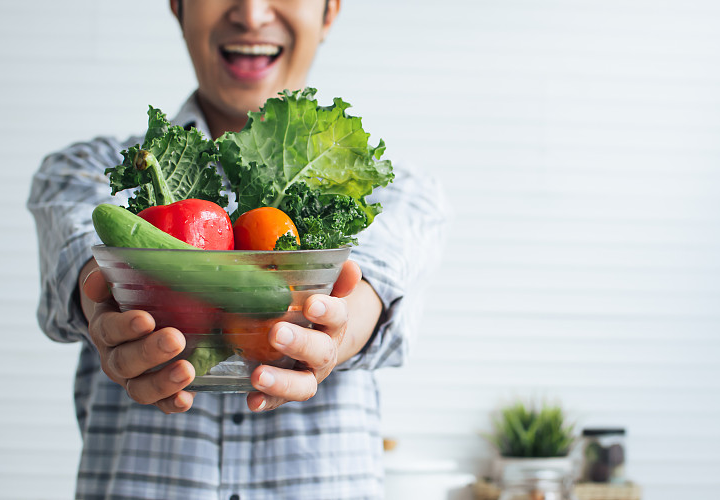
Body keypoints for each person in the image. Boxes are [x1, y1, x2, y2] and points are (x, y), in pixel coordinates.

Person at [27, 1, 448, 498]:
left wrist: (333, 333)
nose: (250, 14)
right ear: (177, 6)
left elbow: (373, 291)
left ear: (330, 10)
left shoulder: (389, 190)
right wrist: (102, 305)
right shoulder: (84, 170)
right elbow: (78, 266)